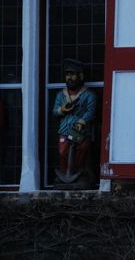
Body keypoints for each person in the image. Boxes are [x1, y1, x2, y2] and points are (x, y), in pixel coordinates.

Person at [53, 58, 97, 186]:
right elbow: (55, 111)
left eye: (72, 74)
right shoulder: (61, 95)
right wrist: (62, 109)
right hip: (65, 129)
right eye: (67, 75)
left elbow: (91, 112)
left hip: (80, 130)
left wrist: (82, 121)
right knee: (62, 151)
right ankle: (64, 173)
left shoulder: (89, 95)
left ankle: (79, 172)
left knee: (81, 149)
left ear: (80, 76)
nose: (69, 78)